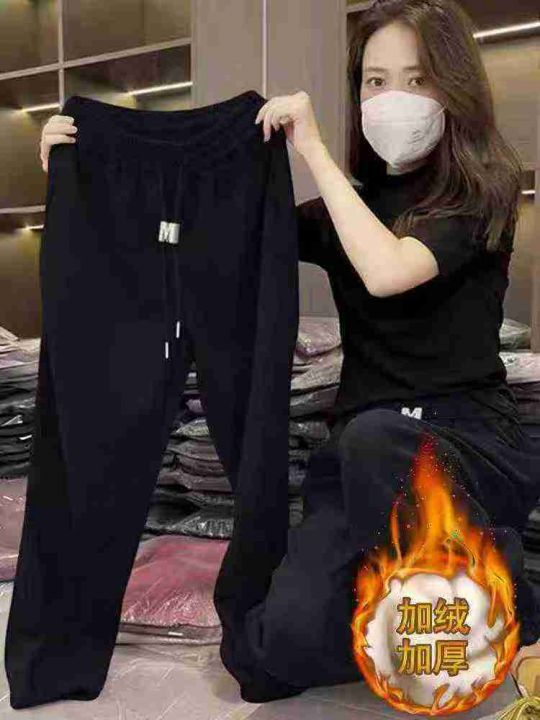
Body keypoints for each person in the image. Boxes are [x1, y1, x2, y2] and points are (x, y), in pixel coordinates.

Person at [39, 0, 540, 702]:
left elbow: (388, 269)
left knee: (375, 440)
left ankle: (507, 584)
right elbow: (202, 233)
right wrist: (84, 172)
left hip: (466, 441)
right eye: (374, 81)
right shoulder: (348, 207)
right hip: (358, 460)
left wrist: (313, 150)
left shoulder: (483, 192)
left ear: (454, 88)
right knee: (266, 657)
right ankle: (412, 600)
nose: (392, 98)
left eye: (417, 79)